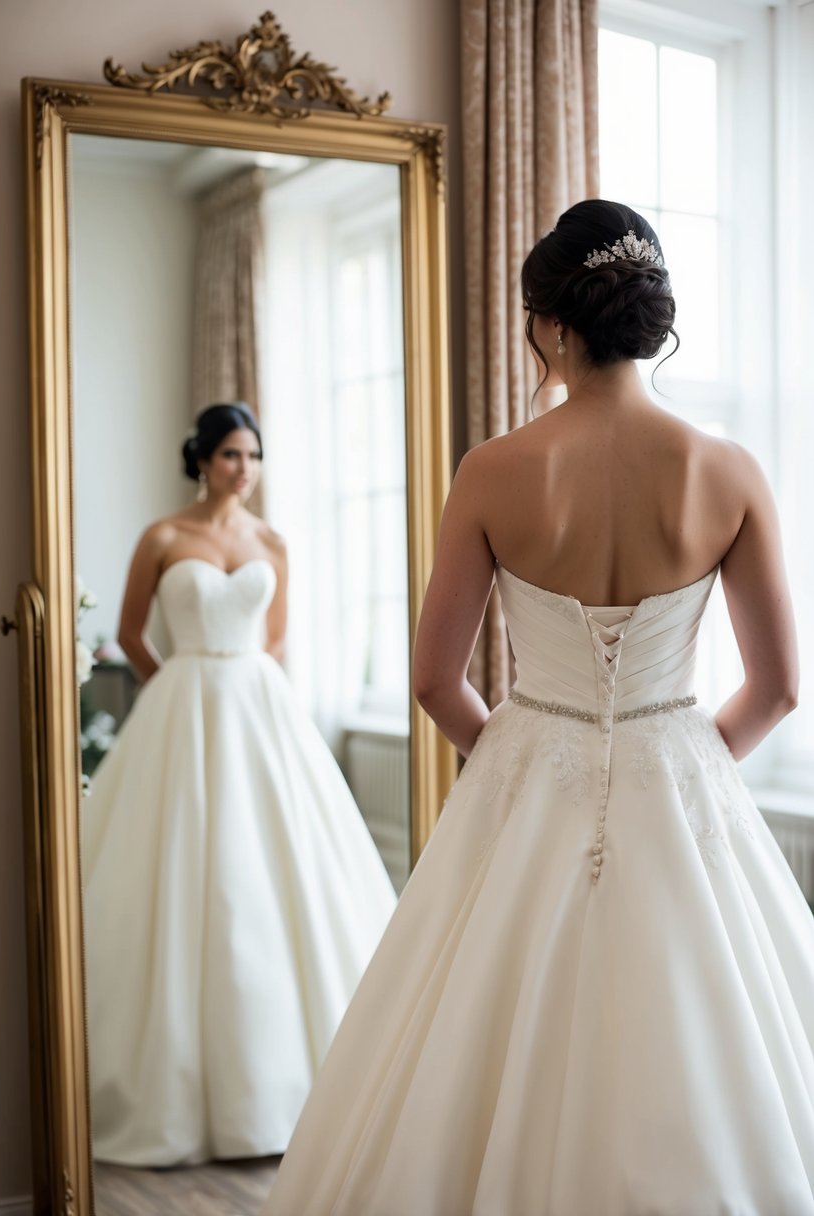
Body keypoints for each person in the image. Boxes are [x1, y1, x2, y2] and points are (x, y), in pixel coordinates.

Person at [265, 200, 814, 1215]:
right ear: (650, 316)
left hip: (530, 781)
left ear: (552, 323)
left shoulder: (494, 470)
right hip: (678, 766)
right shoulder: (728, 471)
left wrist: (522, 756)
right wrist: (675, 763)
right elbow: (779, 686)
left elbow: (435, 679)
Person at [81, 402, 397, 1167]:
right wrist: (173, 683)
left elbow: (277, 633)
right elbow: (128, 632)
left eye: (252, 456)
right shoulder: (161, 537)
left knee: (275, 874)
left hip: (258, 706)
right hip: (183, 703)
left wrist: (246, 677)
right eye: (229, 455)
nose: (243, 470)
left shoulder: (272, 542)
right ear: (200, 459)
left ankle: (304, 1093)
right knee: (176, 872)